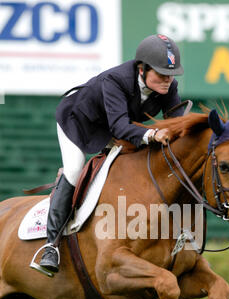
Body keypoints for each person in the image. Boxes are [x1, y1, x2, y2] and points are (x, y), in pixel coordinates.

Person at [37, 34, 184, 275]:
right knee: (75, 169)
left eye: (171, 74)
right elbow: (119, 127)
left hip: (115, 125)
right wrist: (153, 134)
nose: (168, 80)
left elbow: (176, 123)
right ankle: (50, 245)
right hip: (79, 121)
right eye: (161, 73)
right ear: (142, 68)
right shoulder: (116, 80)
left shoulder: (169, 87)